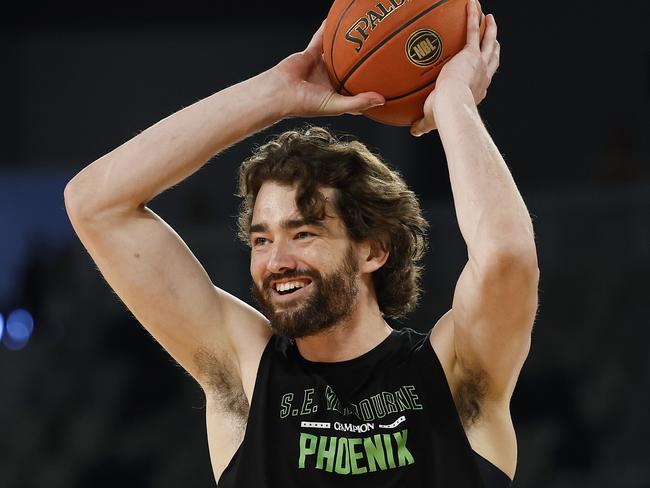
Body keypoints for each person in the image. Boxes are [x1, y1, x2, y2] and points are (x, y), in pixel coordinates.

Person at [64, 2, 538, 487]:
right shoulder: (246, 374)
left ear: (373, 249)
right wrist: (274, 93)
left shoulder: (452, 374)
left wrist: (453, 102)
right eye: (261, 239)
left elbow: (507, 258)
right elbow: (95, 204)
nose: (276, 260)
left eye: (304, 233)